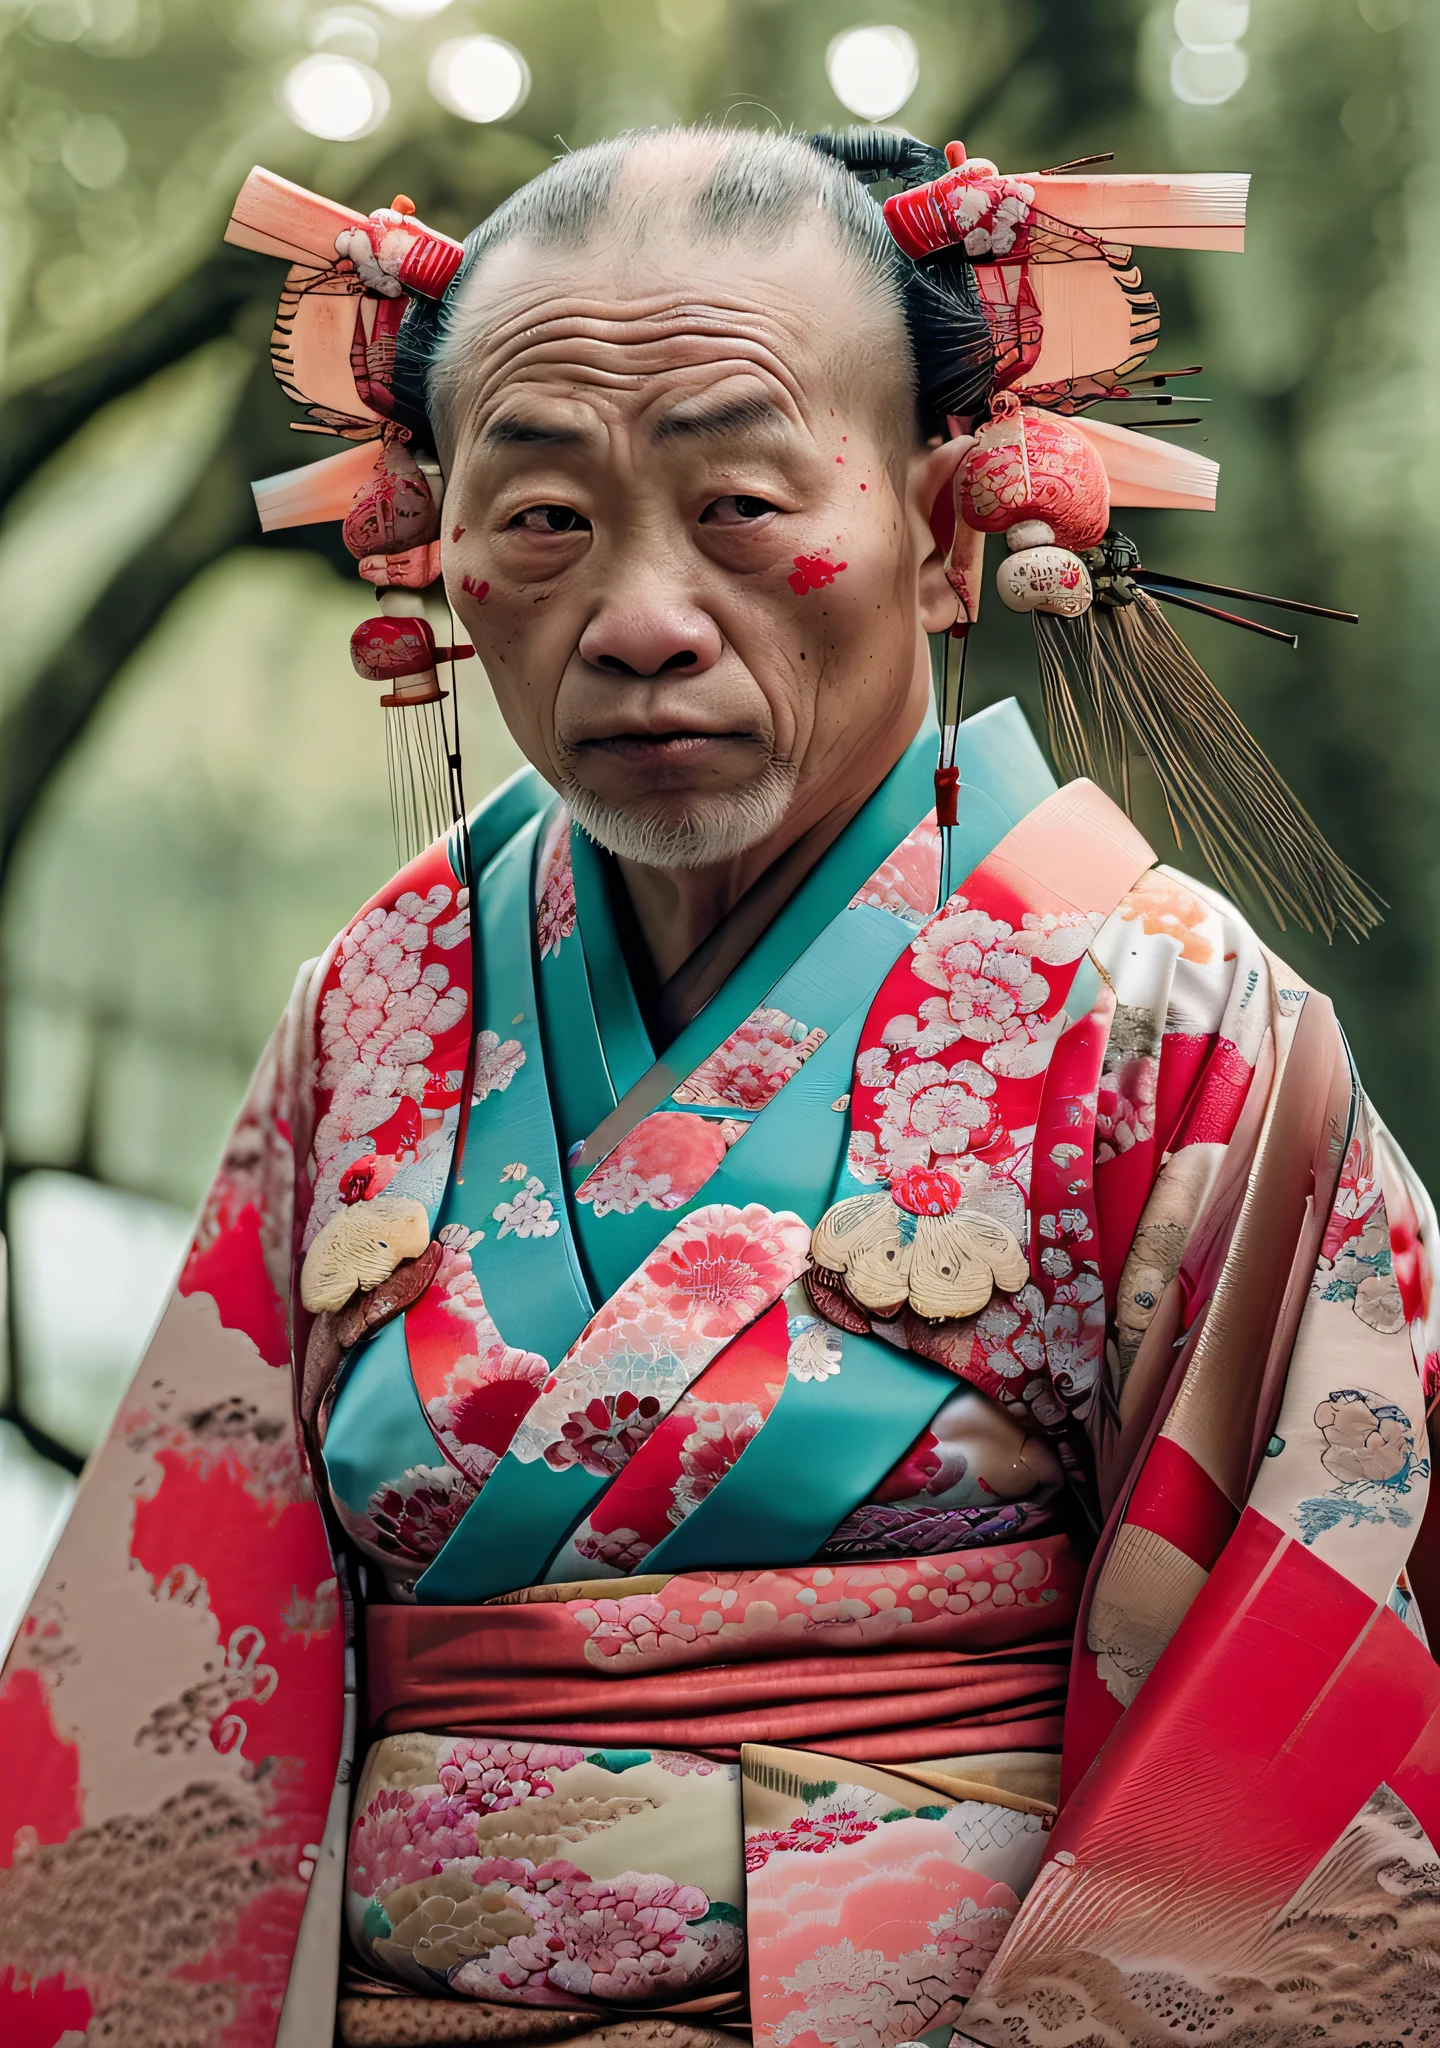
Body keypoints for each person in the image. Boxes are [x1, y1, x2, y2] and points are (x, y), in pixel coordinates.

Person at [3, 125, 1439, 2048]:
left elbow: (1318, 1651)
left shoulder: (1167, 1016)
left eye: (742, 503)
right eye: (543, 521)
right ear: (436, 557)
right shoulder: (379, 1001)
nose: (639, 613)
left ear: (945, 538)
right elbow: (181, 1651)